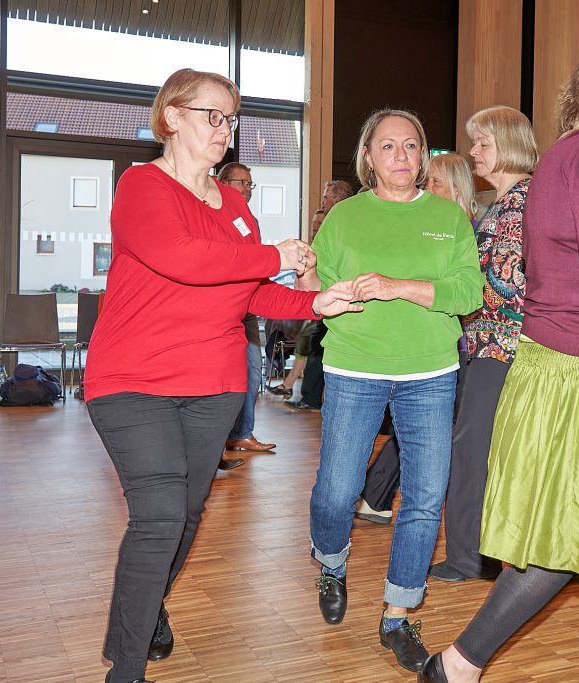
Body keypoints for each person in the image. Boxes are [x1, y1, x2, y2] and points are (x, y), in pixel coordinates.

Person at [84, 68, 360, 683]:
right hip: (132, 381)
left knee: (184, 515)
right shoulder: (141, 186)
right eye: (213, 115)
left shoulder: (234, 206)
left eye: (231, 118)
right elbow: (182, 257)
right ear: (171, 116)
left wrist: (316, 302)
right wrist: (274, 255)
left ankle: (147, 605)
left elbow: (251, 290)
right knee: (159, 515)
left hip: (213, 386)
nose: (224, 129)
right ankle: (125, 668)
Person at [419, 47, 579, 683]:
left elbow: (577, 267)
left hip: (578, 360)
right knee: (571, 532)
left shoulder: (565, 155)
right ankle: (457, 663)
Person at [308, 109, 483, 673]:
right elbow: (314, 288)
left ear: (424, 154)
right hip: (354, 367)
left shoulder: (448, 217)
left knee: (425, 500)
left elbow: (468, 293)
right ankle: (331, 563)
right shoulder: (344, 217)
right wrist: (304, 272)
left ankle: (397, 614)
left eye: (411, 145)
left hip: (429, 372)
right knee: (337, 493)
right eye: (388, 146)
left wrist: (397, 287)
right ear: (369, 157)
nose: (401, 156)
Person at [429, 107, 538, 583]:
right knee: (483, 451)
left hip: (502, 347)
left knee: (473, 450)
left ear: (508, 145)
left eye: (482, 143)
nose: (473, 151)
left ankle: (469, 558)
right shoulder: (509, 201)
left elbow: (509, 284)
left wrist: (448, 288)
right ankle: (478, 555)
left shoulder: (520, 203)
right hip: (492, 344)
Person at [355, 152, 480, 525]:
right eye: (427, 181)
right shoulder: (431, 227)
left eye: (435, 182)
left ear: (456, 187)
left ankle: (376, 495)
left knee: (430, 428)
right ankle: (377, 495)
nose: (427, 188)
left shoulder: (468, 229)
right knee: (427, 427)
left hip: (464, 345)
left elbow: (470, 293)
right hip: (442, 347)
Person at [217, 161, 272, 469]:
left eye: (251, 184)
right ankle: (216, 445)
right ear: (223, 183)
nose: (248, 188)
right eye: (242, 182)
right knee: (222, 377)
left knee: (252, 371)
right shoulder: (212, 214)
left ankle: (241, 433)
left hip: (247, 307)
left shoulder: (250, 220)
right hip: (222, 309)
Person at [291, 180, 356, 411]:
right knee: (314, 343)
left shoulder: (347, 222)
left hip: (340, 299)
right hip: (326, 296)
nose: (322, 201)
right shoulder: (335, 222)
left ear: (336, 200)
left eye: (326, 197)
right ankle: (311, 396)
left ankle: (312, 397)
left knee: (317, 344)